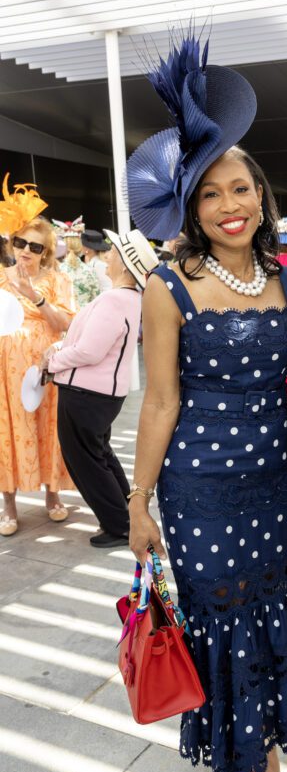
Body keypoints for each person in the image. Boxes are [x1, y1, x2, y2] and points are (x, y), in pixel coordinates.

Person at [125, 35, 287, 772]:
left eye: (240, 186)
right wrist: (136, 503)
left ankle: (259, 752)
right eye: (210, 194)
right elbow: (159, 402)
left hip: (274, 481)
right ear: (188, 206)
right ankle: (258, 770)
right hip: (198, 485)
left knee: (271, 608)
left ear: (260, 192)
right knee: (221, 615)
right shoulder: (166, 288)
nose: (228, 204)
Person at [44, 230, 157, 547]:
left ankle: (120, 525)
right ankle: (127, 518)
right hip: (99, 394)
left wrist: (53, 361)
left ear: (123, 262)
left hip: (85, 394)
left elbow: (90, 351)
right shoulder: (130, 299)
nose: (107, 254)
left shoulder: (115, 300)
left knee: (86, 461)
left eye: (114, 251)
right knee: (99, 455)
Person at [0, 179, 76, 536]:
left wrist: (36, 296)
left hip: (46, 367)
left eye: (35, 246)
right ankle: (9, 504)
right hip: (5, 369)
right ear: (11, 242)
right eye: (20, 242)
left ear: (45, 251)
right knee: (8, 430)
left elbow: (67, 324)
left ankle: (53, 495)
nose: (26, 250)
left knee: (49, 427)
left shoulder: (56, 281)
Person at [54, 216, 101, 308]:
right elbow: (97, 299)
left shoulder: (57, 270)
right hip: (86, 318)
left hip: (65, 317)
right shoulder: (90, 271)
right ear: (80, 246)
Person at [81, 229, 113, 293]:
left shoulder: (99, 265)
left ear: (87, 248)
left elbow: (107, 288)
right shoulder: (93, 263)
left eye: (82, 244)